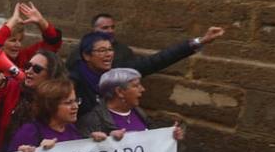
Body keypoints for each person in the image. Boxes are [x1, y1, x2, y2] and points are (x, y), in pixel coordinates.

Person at [72, 26, 225, 115]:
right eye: (101, 51)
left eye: (110, 50)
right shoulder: (73, 81)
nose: (108, 55)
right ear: (86, 55)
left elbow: (157, 60)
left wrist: (201, 41)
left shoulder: (120, 73)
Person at [0, 48, 66, 149]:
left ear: (51, 75)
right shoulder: (12, 88)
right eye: (28, 66)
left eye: (37, 69)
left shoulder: (58, 102)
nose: (29, 71)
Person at [7, 78, 107, 152]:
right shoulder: (30, 131)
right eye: (68, 103)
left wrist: (96, 144)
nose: (75, 106)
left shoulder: (71, 129)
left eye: (76, 101)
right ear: (50, 106)